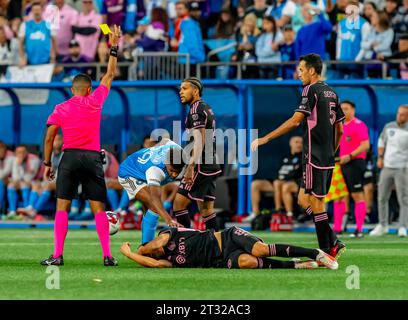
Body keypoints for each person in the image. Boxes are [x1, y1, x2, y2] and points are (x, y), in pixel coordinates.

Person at [40, 25, 122, 267]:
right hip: (92, 158)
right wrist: (114, 46)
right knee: (98, 208)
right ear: (88, 89)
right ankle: (107, 256)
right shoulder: (95, 101)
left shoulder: (61, 108)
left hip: (69, 158)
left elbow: (49, 137)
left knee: (63, 206)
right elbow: (109, 75)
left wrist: (47, 163)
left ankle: (57, 255)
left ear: (71, 89)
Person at [251, 53, 346, 259]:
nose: (298, 74)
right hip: (325, 156)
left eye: (301, 70)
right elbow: (340, 128)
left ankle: (327, 253)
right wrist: (332, 150)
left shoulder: (310, 90)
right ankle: (333, 240)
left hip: (314, 155)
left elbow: (295, 121)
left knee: (316, 203)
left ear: (312, 71)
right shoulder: (332, 92)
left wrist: (265, 139)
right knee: (304, 200)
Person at [120, 226, 339, 270]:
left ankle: (316, 253)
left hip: (228, 237)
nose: (153, 251)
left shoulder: (166, 234)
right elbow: (155, 264)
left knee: (260, 251)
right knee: (249, 263)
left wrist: (141, 248)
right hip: (221, 258)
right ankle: (297, 265)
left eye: (148, 249)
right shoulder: (165, 261)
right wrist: (131, 255)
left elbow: (157, 244)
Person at [173, 77, 222, 230]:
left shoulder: (196, 110)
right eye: (180, 89)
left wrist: (190, 166)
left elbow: (199, 141)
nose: (181, 92)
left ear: (195, 91)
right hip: (211, 164)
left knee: (178, 205)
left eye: (184, 89)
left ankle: (185, 245)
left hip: (201, 165)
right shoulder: (205, 107)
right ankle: (219, 246)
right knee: (207, 210)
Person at [118, 138, 184, 244]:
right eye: (172, 170)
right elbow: (155, 198)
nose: (174, 175)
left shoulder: (177, 150)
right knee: (153, 206)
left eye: (178, 171)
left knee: (148, 212)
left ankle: (145, 246)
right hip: (129, 174)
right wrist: (168, 219)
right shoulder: (155, 170)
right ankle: (146, 248)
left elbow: (166, 140)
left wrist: (153, 149)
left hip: (142, 170)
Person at [370, 105, 408, 237]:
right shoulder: (389, 126)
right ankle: (383, 225)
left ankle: (403, 226)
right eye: (399, 113)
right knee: (381, 197)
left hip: (403, 168)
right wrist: (380, 158)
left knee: (403, 199)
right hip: (387, 167)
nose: (399, 116)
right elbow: (381, 142)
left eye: (403, 114)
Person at [334, 101, 370, 238]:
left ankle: (359, 229)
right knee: (339, 195)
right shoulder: (339, 125)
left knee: (357, 194)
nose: (344, 111)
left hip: (355, 163)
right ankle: (337, 229)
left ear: (353, 110)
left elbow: (365, 145)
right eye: (342, 109)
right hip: (341, 164)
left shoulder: (359, 125)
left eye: (346, 108)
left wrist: (349, 156)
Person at [246, 136, 303, 222]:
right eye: (296, 142)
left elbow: (299, 175)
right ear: (290, 143)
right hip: (278, 182)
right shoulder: (284, 157)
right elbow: (277, 173)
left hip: (293, 183)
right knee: (255, 184)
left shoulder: (303, 158)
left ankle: (287, 214)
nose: (299, 145)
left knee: (281, 184)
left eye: (301, 143)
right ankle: (255, 213)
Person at [7, 145, 41, 218]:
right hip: (23, 181)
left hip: (37, 181)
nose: (21, 154)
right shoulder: (15, 159)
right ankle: (12, 211)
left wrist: (21, 166)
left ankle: (28, 209)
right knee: (11, 185)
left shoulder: (34, 159)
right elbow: (15, 177)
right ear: (15, 153)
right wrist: (19, 164)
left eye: (23, 152)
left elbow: (30, 177)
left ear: (27, 152)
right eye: (18, 152)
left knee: (25, 184)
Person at [18, 1, 57, 66]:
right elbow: (20, 43)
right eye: (34, 10)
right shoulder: (25, 25)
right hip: (29, 62)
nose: (36, 12)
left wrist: (53, 56)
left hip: (46, 61)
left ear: (42, 11)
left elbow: (54, 41)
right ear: (32, 12)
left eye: (38, 10)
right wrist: (22, 58)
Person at [0, 141, 13, 214]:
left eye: (2, 148)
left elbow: (6, 172)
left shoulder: (10, 156)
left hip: (12, 180)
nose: (1, 150)